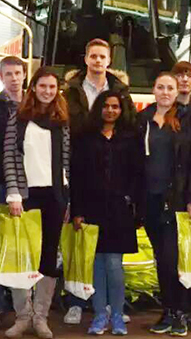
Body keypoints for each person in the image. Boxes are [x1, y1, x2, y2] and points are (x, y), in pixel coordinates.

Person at [62, 39, 132, 324]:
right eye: (93, 56)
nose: (98, 60)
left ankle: (112, 307)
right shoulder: (70, 91)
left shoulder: (120, 91)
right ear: (86, 58)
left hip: (113, 180)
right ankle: (76, 302)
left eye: (103, 56)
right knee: (81, 247)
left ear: (109, 59)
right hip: (79, 164)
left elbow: (130, 126)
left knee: (109, 258)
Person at [2, 68, 71, 339]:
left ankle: (41, 317)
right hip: (25, 196)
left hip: (55, 196)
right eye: (43, 86)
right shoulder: (18, 118)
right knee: (22, 255)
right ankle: (23, 316)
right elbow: (9, 156)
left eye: (52, 87)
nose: (47, 91)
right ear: (33, 88)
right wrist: (14, 193)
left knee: (49, 255)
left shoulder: (62, 120)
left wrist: (68, 199)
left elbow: (67, 162)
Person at [71, 90, 143, 337]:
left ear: (122, 110)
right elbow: (77, 176)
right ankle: (99, 315)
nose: (110, 110)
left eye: (115, 106)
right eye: (106, 106)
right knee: (97, 265)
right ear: (98, 108)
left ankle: (117, 315)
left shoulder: (131, 137)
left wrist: (134, 205)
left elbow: (138, 174)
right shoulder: (85, 138)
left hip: (120, 210)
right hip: (91, 208)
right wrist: (77, 211)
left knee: (113, 264)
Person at [139, 73, 191, 337]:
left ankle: (180, 312)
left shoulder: (188, 120)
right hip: (149, 201)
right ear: (153, 90)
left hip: (176, 201)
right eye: (160, 87)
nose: (165, 92)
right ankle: (168, 310)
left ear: (177, 92)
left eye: (170, 88)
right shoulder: (142, 120)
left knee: (172, 259)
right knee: (160, 259)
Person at [0, 56, 27, 329]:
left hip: (30, 188)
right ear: (1, 77)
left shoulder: (35, 106)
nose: (14, 78)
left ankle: (26, 309)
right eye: (8, 73)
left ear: (25, 75)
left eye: (18, 73)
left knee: (26, 248)